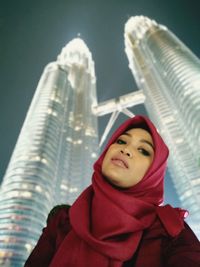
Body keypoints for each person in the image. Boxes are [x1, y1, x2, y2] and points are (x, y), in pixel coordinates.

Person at [24, 115, 200, 267]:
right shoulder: (62, 221)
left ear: (153, 172)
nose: (126, 149)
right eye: (121, 141)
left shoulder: (169, 229)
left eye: (143, 150)